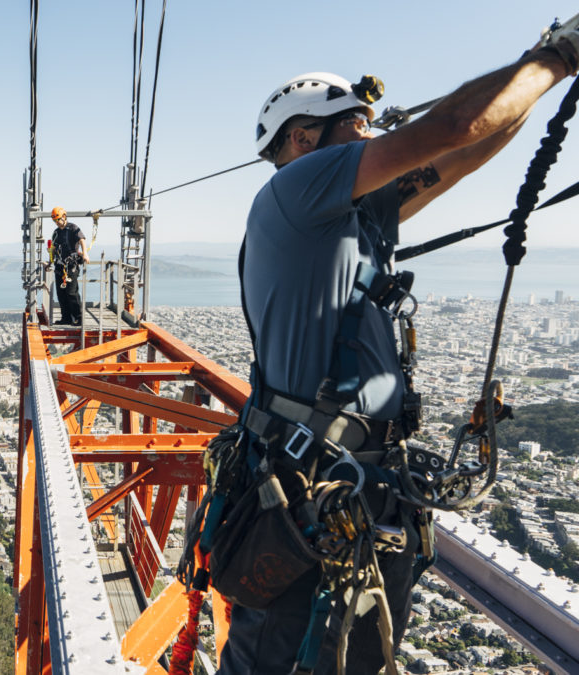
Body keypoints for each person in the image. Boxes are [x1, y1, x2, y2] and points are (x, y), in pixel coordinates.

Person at [223, 21, 578, 675]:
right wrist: (557, 59)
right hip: (315, 502)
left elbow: (469, 148)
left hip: (354, 498)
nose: (376, 142)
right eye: (358, 129)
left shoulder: (349, 216)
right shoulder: (296, 191)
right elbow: (454, 127)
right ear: (304, 140)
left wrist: (536, 74)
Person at [49, 206, 90, 325]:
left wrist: (85, 253)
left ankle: (79, 318)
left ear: (64, 217)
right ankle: (66, 318)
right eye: (55, 221)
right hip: (60, 266)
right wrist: (50, 262)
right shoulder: (56, 233)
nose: (57, 223)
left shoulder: (73, 228)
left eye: (58, 220)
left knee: (72, 293)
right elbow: (53, 249)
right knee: (61, 294)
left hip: (71, 266)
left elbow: (82, 239)